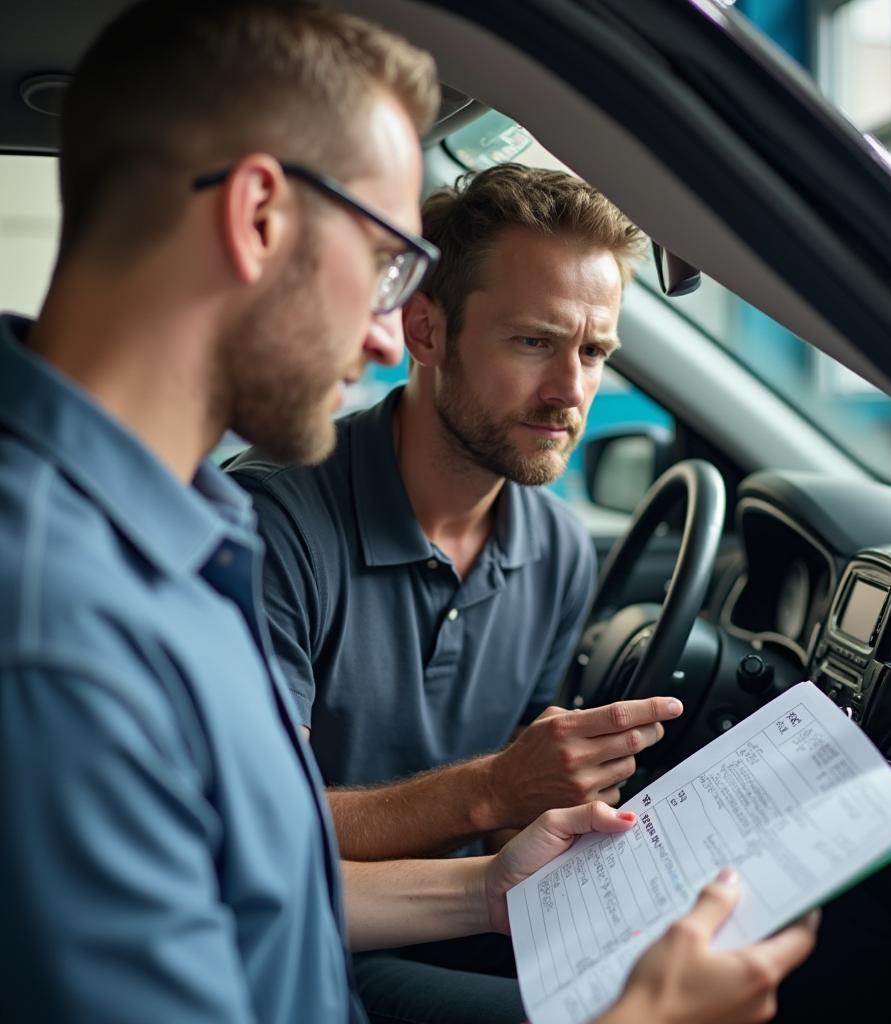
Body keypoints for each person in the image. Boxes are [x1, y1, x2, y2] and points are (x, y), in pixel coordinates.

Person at [0, 2, 818, 1023]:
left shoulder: (178, 531)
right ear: (259, 217)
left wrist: (485, 886)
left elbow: (264, 888)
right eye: (387, 262)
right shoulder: (57, 622)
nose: (390, 338)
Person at [229, 163, 687, 1021]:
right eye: (533, 342)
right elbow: (257, 832)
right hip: (289, 941)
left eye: (593, 351)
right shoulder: (273, 523)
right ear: (426, 331)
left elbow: (508, 830)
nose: (571, 392)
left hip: (460, 911)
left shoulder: (555, 548)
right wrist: (495, 789)